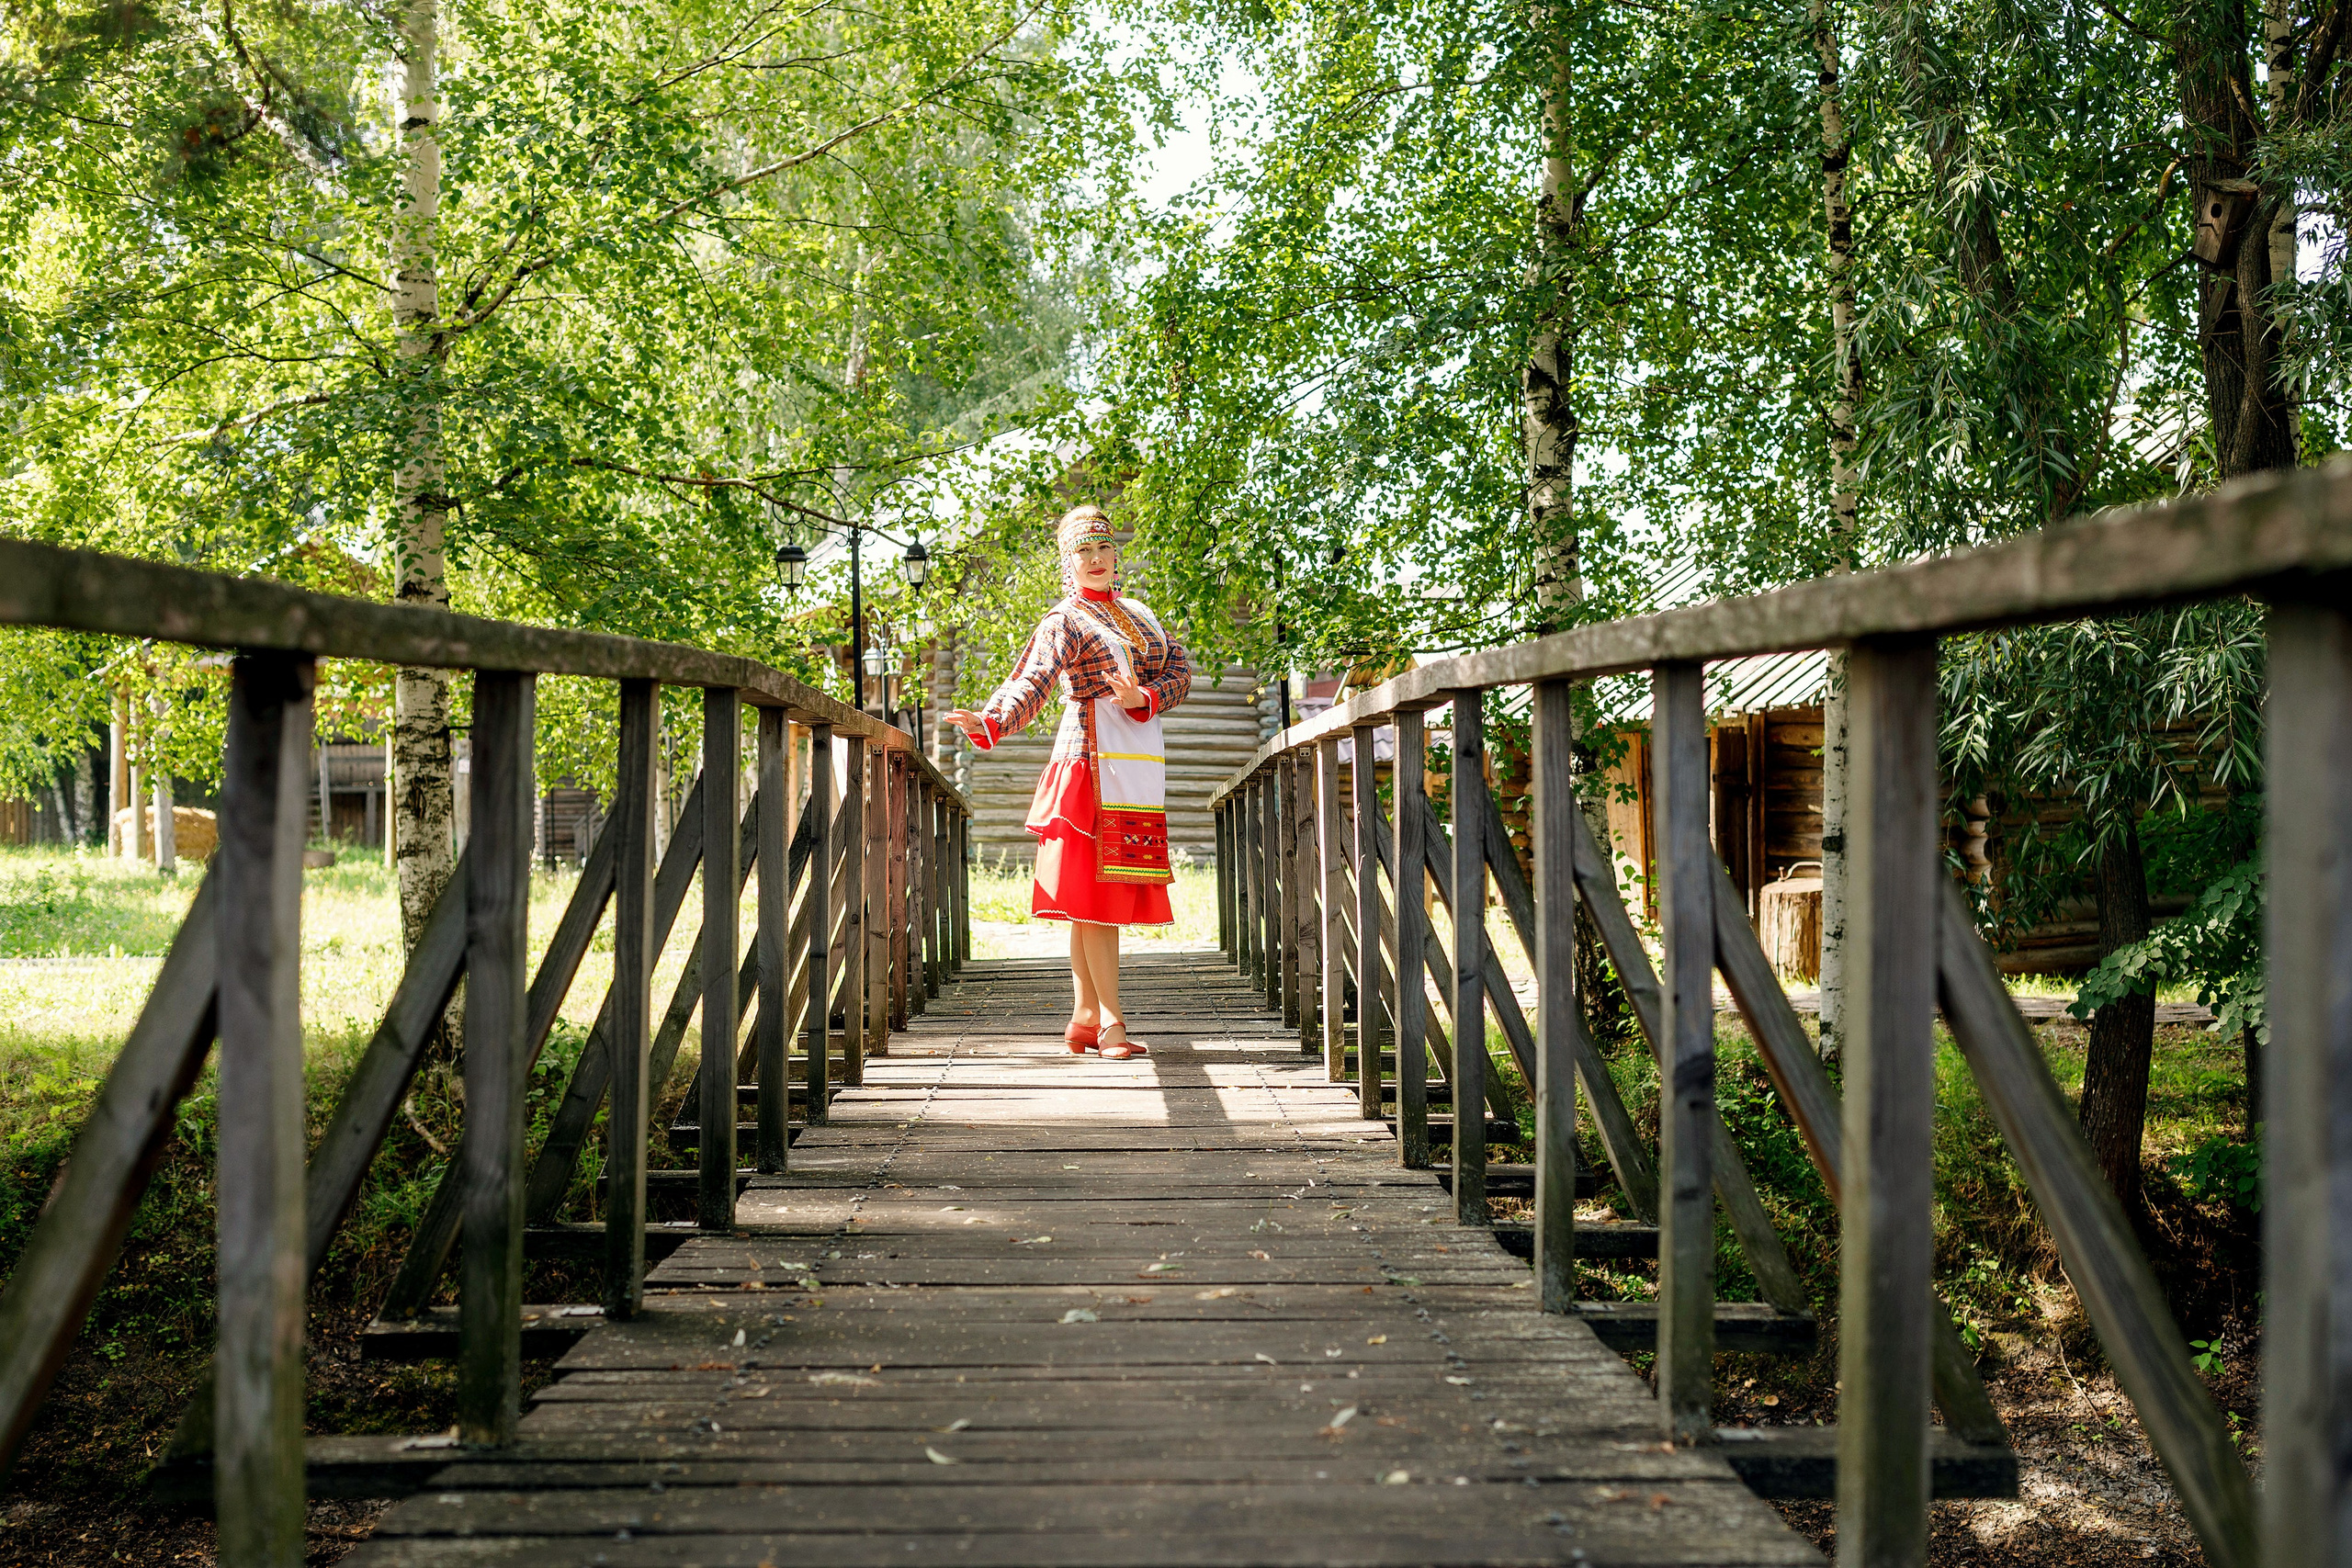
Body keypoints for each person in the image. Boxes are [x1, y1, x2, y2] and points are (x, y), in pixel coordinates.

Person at [942, 504, 1193, 1060]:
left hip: (1138, 763)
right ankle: (1111, 1025)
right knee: (1097, 899)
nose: (1097, 559)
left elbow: (1180, 671)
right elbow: (1032, 679)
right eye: (1084, 551)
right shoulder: (1065, 620)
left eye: (1104, 548)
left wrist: (1142, 698)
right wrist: (991, 721)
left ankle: (1083, 1018)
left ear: (1115, 554)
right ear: (1068, 561)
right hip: (1088, 762)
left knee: (1093, 899)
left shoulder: (1141, 615)